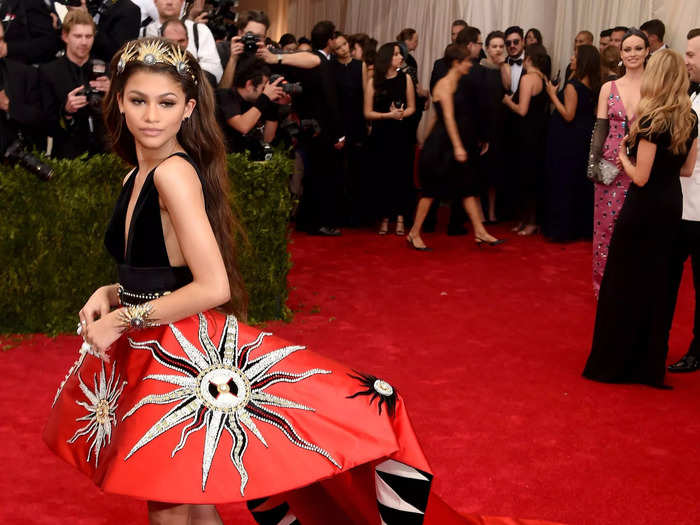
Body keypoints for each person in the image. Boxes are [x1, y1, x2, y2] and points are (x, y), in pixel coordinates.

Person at [43, 35, 482, 525]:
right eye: (139, 101)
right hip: (151, 346)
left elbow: (213, 286)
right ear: (119, 103)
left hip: (176, 350)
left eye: (166, 103)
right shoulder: (134, 176)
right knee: (186, 494)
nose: (151, 115)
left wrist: (124, 316)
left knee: (167, 501)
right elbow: (151, 267)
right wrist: (107, 293)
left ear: (188, 109)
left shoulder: (173, 174)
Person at [583, 49, 698, 388]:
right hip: (670, 205)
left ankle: (615, 363)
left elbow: (641, 176)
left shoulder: (651, 120)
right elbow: (688, 170)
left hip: (643, 207)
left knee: (623, 283)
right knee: (657, 286)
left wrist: (621, 154)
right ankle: (648, 365)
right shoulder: (689, 118)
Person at [407, 44, 501, 250]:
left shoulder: (460, 82)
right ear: (456, 63)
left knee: (468, 187)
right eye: (466, 61)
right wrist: (458, 147)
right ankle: (414, 233)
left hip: (447, 142)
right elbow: (447, 117)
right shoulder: (444, 84)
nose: (470, 64)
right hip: (442, 145)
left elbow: (436, 116)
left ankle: (480, 232)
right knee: (430, 192)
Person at [588, 28, 649, 297]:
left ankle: (633, 285)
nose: (633, 53)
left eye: (638, 48)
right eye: (628, 49)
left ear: (648, 51)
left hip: (643, 165)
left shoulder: (656, 87)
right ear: (621, 54)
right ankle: (603, 285)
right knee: (605, 227)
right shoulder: (608, 87)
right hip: (610, 165)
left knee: (638, 226)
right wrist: (593, 164)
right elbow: (599, 128)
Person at [667, 29, 700, 373]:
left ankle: (698, 349)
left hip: (698, 207)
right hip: (677, 204)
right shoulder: (688, 93)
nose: (685, 60)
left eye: (691, 55)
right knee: (667, 277)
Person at [543, 45, 600, 242]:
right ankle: (579, 227)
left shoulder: (572, 86)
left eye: (575, 56)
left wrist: (552, 94)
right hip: (583, 138)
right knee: (577, 182)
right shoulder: (594, 85)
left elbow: (568, 115)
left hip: (567, 140)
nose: (571, 58)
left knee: (563, 181)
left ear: (582, 60)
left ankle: (561, 230)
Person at [294, 20, 346, 236]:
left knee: (313, 176)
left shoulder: (313, 62)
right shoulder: (320, 63)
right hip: (322, 131)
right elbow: (330, 103)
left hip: (310, 129)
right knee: (322, 178)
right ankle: (318, 223)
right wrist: (338, 134)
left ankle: (307, 221)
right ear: (330, 40)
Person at [39, 10, 111, 159]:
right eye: (78, 36)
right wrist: (66, 111)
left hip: (107, 156)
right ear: (65, 36)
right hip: (67, 159)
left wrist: (113, 93)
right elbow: (43, 123)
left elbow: (123, 116)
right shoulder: (48, 72)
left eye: (89, 36)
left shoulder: (107, 70)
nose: (84, 42)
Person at [364, 42, 415, 236]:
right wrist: (388, 115)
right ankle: (384, 218)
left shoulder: (406, 78)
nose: (400, 57)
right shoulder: (373, 81)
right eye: (396, 54)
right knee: (382, 177)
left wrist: (402, 113)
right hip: (380, 135)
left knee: (401, 176)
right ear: (386, 58)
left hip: (401, 134)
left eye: (400, 55)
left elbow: (412, 107)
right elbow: (367, 112)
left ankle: (400, 218)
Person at [503, 44, 551, 236]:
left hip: (526, 134)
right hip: (540, 134)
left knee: (526, 178)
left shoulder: (527, 79)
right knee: (532, 177)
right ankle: (527, 220)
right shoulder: (543, 78)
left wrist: (507, 102)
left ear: (528, 59)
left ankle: (529, 222)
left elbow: (522, 110)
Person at [332, 32, 368, 225]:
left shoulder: (359, 66)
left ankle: (357, 214)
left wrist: (367, 123)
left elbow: (364, 95)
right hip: (339, 122)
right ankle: (340, 213)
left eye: (345, 44)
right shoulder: (331, 68)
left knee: (357, 168)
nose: (344, 49)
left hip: (357, 122)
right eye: (339, 47)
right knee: (339, 169)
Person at [215, 57, 283, 154]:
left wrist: (273, 102)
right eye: (263, 88)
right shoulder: (225, 96)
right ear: (249, 84)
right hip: (220, 157)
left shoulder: (258, 101)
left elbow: (268, 138)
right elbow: (243, 126)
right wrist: (266, 97)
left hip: (244, 159)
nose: (266, 91)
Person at [145, 0, 222, 84]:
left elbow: (214, 72)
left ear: (182, 2)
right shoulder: (143, 32)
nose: (169, 2)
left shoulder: (199, 31)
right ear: (155, 1)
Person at [0, 22, 45, 156]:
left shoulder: (24, 74)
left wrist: (9, 106)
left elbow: (40, 119)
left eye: (1, 39)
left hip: (17, 166)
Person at [479, 30, 509, 223]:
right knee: (481, 171)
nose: (498, 49)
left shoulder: (503, 66)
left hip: (500, 123)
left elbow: (507, 87)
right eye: (494, 46)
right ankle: (479, 213)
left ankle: (491, 212)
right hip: (483, 122)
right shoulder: (479, 67)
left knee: (495, 171)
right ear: (487, 48)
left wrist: (501, 66)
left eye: (500, 46)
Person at [0, 0, 60, 65]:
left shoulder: (32, 4)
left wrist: (9, 48)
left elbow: (49, 42)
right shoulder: (5, 4)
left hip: (28, 69)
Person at [429, 19, 468, 90]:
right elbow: (433, 89)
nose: (455, 37)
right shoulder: (439, 64)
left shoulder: (475, 60)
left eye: (459, 34)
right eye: (453, 34)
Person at [504, 26, 525, 93]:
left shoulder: (534, 62)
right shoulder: (501, 64)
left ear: (523, 42)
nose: (512, 46)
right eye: (508, 43)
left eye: (516, 42)